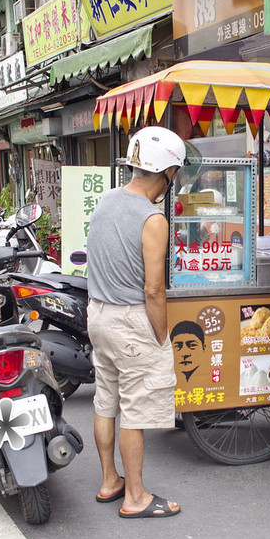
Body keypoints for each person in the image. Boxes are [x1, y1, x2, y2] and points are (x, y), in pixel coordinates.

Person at [86, 126, 183, 519]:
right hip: (131, 322)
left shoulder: (106, 200)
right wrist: (163, 337)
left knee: (106, 401)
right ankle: (136, 496)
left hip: (99, 315)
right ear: (167, 173)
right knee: (136, 409)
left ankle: (111, 480)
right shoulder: (152, 219)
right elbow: (154, 290)